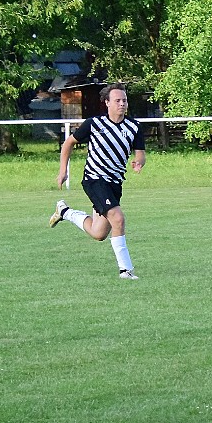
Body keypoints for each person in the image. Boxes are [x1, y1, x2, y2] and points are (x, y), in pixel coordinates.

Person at [49, 82, 146, 280]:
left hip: (114, 183)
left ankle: (65, 212)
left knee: (99, 232)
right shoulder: (94, 124)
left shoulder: (134, 127)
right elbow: (68, 143)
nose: (122, 104)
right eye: (117, 100)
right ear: (107, 103)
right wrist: (63, 171)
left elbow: (140, 153)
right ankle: (125, 270)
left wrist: (138, 162)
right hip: (95, 179)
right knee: (118, 219)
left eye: (124, 100)